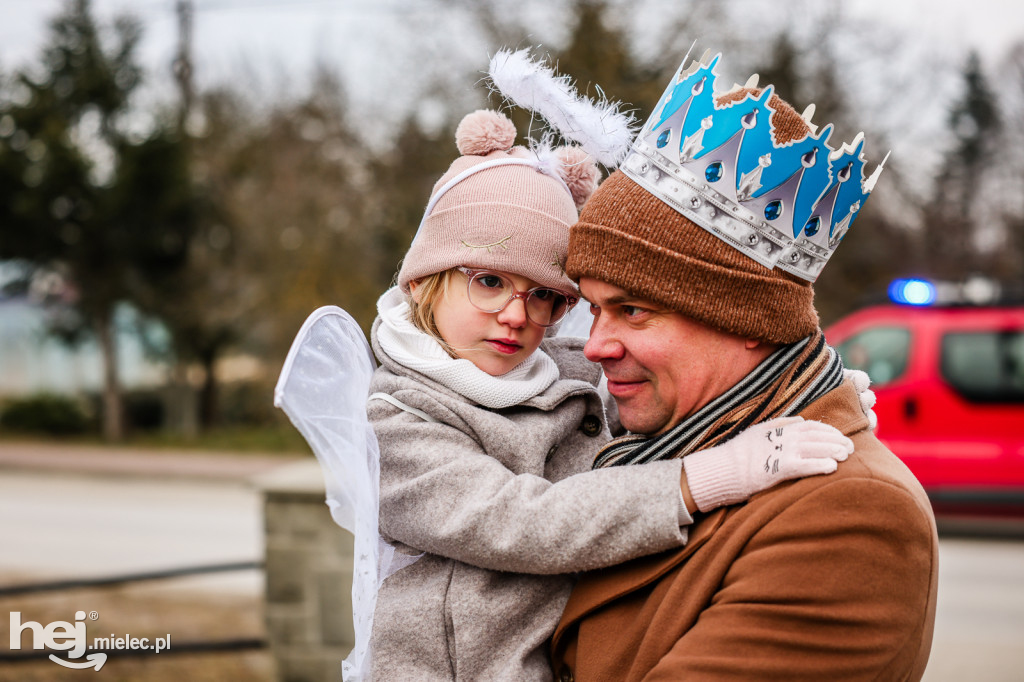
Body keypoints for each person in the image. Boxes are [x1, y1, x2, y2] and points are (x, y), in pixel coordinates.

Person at [365, 101, 858, 681]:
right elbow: (518, 523)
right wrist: (703, 479)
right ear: (423, 280)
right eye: (489, 281)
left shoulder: (564, 372)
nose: (516, 315)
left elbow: (689, 392)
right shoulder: (396, 419)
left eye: (545, 295)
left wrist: (800, 389)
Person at [549, 53, 939, 681]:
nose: (595, 345)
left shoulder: (851, 515)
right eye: (593, 309)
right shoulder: (647, 448)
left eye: (633, 310)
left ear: (748, 321)